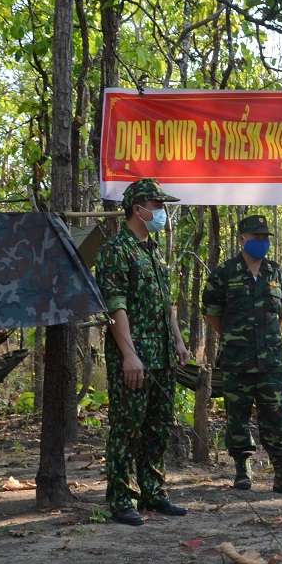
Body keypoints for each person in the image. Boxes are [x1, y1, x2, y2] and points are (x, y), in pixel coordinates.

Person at [94, 179, 190, 526]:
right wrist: (129, 355)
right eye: (157, 205)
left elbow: (167, 304)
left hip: (162, 355)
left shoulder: (152, 251)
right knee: (127, 428)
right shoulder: (117, 249)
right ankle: (121, 499)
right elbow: (114, 305)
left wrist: (177, 340)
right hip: (136, 356)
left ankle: (153, 491)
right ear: (138, 209)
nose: (162, 212)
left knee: (157, 427)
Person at [202, 214, 282, 496]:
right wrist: (236, 336)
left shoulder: (277, 273)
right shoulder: (224, 273)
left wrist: (264, 340)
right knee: (236, 416)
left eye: (265, 238)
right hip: (236, 360)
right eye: (256, 237)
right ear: (242, 239)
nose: (262, 242)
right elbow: (213, 315)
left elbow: (281, 315)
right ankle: (242, 468)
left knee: (275, 417)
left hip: (271, 361)